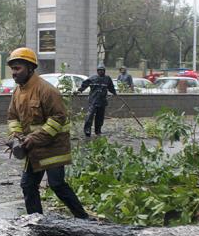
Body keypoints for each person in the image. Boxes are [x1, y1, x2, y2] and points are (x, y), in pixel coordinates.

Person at [6, 47, 88, 219]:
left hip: (53, 148)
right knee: (28, 185)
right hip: (33, 149)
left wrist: (33, 138)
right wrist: (16, 137)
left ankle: (84, 218)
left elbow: (59, 117)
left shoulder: (46, 90)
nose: (14, 73)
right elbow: (13, 117)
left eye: (17, 68)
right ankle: (36, 223)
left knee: (57, 184)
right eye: (12, 69)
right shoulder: (18, 92)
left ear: (30, 68)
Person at [77, 63, 116, 137]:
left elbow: (111, 87)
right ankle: (87, 130)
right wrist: (79, 90)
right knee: (89, 116)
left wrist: (114, 93)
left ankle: (98, 130)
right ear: (97, 71)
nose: (101, 72)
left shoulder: (107, 79)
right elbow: (84, 84)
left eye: (102, 70)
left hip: (102, 101)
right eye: (99, 70)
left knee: (100, 117)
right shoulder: (92, 78)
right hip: (93, 101)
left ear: (104, 71)